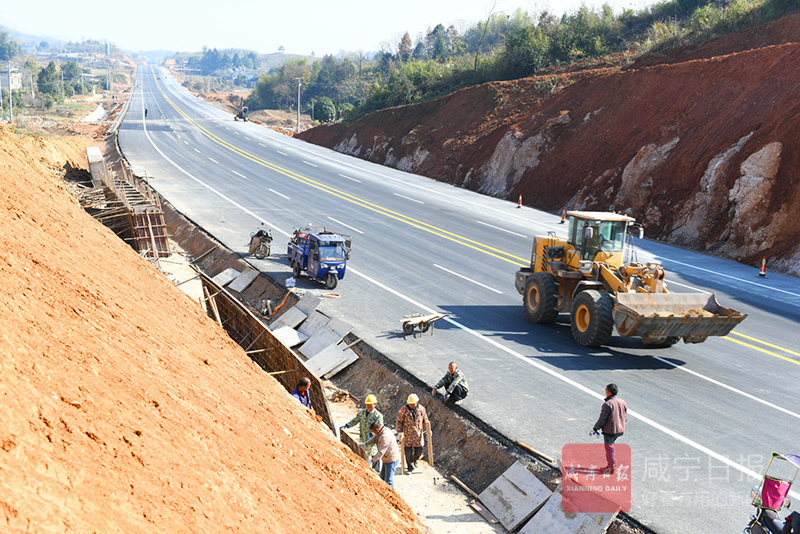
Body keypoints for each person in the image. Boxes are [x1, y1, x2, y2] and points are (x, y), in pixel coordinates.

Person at [592, 383, 627, 472]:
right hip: (620, 429)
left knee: (609, 448)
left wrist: (595, 428)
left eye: (606, 390)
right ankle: (613, 462)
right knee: (612, 446)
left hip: (610, 430)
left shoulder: (607, 404)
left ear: (609, 392)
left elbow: (602, 419)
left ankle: (611, 467)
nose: (605, 391)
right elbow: (625, 416)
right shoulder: (622, 402)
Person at [341, 394, 383, 461]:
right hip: (363, 438)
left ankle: (376, 470)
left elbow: (380, 429)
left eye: (370, 404)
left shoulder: (378, 416)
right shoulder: (362, 413)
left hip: (372, 440)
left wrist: (373, 434)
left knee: (374, 455)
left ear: (375, 404)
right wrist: (347, 425)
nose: (369, 406)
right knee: (362, 456)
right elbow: (355, 420)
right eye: (367, 404)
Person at [395, 393, 429, 473]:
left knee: (419, 451)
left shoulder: (421, 409)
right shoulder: (403, 410)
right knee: (408, 453)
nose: (412, 405)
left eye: (413, 404)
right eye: (410, 404)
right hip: (407, 435)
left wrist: (428, 429)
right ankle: (410, 467)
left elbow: (425, 420)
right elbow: (399, 421)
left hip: (418, 435)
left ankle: (415, 459)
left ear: (417, 402)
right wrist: (399, 432)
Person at [362, 421, 400, 489]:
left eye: (374, 431)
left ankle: (393, 497)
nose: (374, 433)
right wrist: (366, 443)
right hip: (386, 459)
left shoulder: (385, 436)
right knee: (382, 478)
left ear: (377, 429)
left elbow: (381, 452)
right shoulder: (381, 432)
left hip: (391, 460)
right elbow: (375, 439)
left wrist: (372, 461)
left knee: (389, 480)